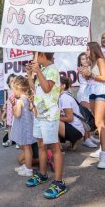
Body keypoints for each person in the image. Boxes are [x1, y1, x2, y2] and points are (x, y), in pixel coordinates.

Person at [25, 52, 66, 200]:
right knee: (41, 145)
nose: (33, 58)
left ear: (42, 54)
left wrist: (37, 72)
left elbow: (48, 88)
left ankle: (59, 182)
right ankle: (42, 174)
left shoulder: (53, 69)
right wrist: (30, 75)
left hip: (50, 115)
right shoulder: (41, 70)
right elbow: (35, 89)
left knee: (54, 147)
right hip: (39, 114)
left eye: (35, 54)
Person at [80, 42, 105, 169]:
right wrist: (85, 74)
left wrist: (90, 74)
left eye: (88, 49)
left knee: (100, 123)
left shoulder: (100, 60)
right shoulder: (92, 63)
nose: (86, 51)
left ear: (93, 50)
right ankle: (104, 149)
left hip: (101, 91)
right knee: (98, 121)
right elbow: (92, 79)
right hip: (93, 91)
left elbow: (104, 78)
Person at [10, 75, 37, 177]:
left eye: (14, 90)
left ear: (19, 89)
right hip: (29, 128)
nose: (13, 93)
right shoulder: (28, 99)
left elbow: (17, 114)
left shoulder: (20, 101)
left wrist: (13, 105)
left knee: (27, 149)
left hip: (25, 129)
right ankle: (26, 166)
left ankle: (28, 169)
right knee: (28, 148)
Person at [77, 53, 100, 148]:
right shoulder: (81, 70)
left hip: (90, 94)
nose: (85, 60)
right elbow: (88, 77)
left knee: (91, 115)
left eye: (86, 58)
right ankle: (85, 139)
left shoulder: (91, 68)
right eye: (82, 59)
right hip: (83, 94)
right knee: (86, 117)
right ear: (80, 62)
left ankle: (89, 136)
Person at [58, 76, 85, 151]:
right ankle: (73, 142)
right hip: (76, 128)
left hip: (76, 130)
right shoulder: (63, 96)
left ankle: (58, 149)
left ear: (63, 86)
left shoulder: (64, 98)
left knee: (52, 121)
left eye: (56, 84)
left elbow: (70, 118)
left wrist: (55, 117)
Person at [2, 74, 17, 147]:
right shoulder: (9, 90)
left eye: (15, 81)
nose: (13, 83)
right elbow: (8, 99)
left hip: (16, 110)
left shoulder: (17, 90)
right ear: (8, 83)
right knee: (10, 125)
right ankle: (9, 140)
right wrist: (5, 104)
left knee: (17, 125)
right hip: (10, 110)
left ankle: (19, 142)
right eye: (11, 81)